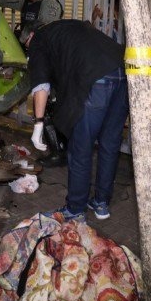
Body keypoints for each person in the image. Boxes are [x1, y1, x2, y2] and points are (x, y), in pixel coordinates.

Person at [26, 19, 128, 221]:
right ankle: (101, 203)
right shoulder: (68, 25)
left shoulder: (38, 40)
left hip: (95, 79)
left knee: (81, 146)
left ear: (30, 36)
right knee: (109, 143)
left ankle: (75, 209)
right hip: (123, 71)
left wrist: (38, 124)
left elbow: (41, 86)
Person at [0, 0, 66, 167]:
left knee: (48, 105)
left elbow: (41, 30)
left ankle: (58, 151)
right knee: (39, 103)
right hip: (34, 60)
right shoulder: (25, 0)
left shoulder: (49, 4)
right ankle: (53, 147)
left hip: (49, 60)